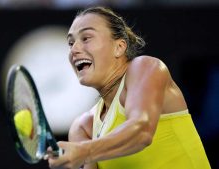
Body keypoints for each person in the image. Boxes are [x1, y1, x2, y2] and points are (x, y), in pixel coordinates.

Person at [46, 6, 211, 169]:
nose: (74, 49)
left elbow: (142, 132)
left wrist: (84, 151)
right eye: (70, 43)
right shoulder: (83, 126)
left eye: (86, 38)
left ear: (119, 47)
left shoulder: (147, 67)